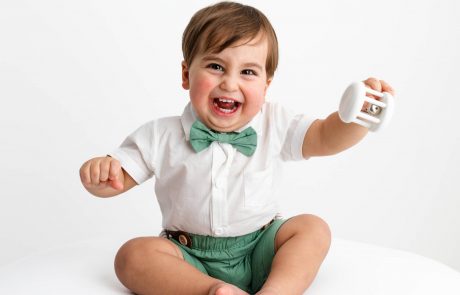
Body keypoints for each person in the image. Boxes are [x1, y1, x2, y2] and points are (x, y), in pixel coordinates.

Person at [79, 2, 395, 294]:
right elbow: (117, 178)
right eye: (216, 66)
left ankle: (277, 290)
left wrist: (357, 118)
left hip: (261, 247)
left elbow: (325, 137)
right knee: (132, 256)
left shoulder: (275, 122)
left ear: (266, 84)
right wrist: (102, 175)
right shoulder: (159, 134)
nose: (230, 83)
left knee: (313, 228)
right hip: (188, 256)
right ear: (187, 74)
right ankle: (211, 291)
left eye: (247, 72)